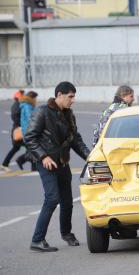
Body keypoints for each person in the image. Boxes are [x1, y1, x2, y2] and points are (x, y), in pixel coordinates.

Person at [26, 81, 90, 252]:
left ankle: (67, 234)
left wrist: (90, 157)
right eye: (70, 96)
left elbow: (75, 139)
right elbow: (30, 138)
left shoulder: (69, 115)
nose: (73, 100)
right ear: (59, 95)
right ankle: (37, 240)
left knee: (67, 202)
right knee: (52, 199)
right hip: (46, 163)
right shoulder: (42, 112)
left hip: (62, 162)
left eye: (74, 96)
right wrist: (43, 156)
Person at [1, 90, 25, 171]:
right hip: (18, 130)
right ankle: (22, 161)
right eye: (22, 95)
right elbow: (16, 118)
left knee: (16, 148)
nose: (23, 97)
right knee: (30, 148)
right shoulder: (17, 106)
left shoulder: (18, 105)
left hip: (17, 129)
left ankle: (5, 163)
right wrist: (22, 123)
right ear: (18, 97)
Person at [16, 91, 38, 171]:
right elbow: (31, 118)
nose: (36, 100)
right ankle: (21, 159)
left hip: (28, 130)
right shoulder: (27, 106)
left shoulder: (27, 105)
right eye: (35, 98)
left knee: (32, 149)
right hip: (29, 131)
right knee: (33, 149)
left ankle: (33, 167)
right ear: (32, 98)